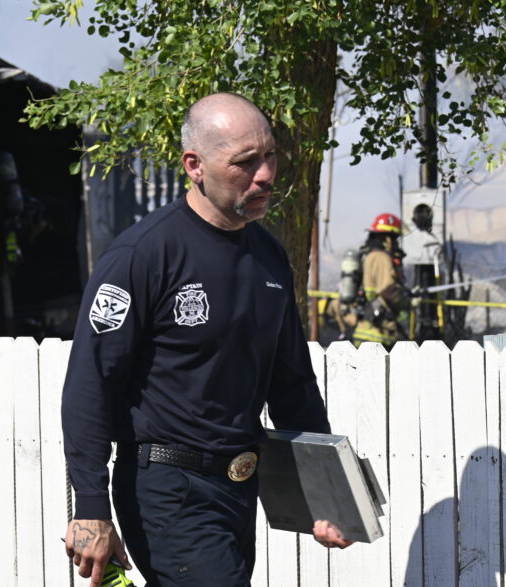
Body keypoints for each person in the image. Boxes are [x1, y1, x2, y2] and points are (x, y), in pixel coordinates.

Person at [62, 93, 352, 587]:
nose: (265, 174)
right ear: (194, 166)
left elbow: (292, 386)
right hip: (169, 492)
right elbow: (91, 384)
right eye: (245, 162)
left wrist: (322, 490)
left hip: (238, 491)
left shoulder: (269, 257)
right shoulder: (142, 256)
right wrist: (91, 507)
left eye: (270, 156)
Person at [333, 214, 412, 347]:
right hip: (379, 333)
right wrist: (408, 302)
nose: (396, 243)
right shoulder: (381, 258)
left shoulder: (369, 254)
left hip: (365, 330)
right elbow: (388, 291)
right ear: (387, 239)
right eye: (395, 238)